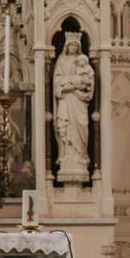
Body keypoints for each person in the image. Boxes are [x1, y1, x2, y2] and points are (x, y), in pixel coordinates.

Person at [53, 33, 94, 175]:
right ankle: (67, 156)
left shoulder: (84, 63)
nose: (73, 47)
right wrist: (71, 84)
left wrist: (76, 84)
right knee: (66, 126)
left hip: (79, 101)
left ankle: (81, 155)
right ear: (66, 46)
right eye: (71, 45)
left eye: (75, 45)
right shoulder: (61, 60)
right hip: (66, 100)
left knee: (82, 125)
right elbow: (57, 81)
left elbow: (89, 83)